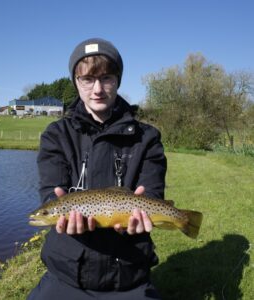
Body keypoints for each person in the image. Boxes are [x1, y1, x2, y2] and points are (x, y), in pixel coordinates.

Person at [27, 38, 167, 300]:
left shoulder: (147, 138)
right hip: (67, 273)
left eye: (107, 78)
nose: (98, 89)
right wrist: (50, 204)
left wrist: (147, 211)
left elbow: (153, 194)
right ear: (76, 82)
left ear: (118, 80)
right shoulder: (57, 135)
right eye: (87, 79)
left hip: (128, 274)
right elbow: (50, 190)